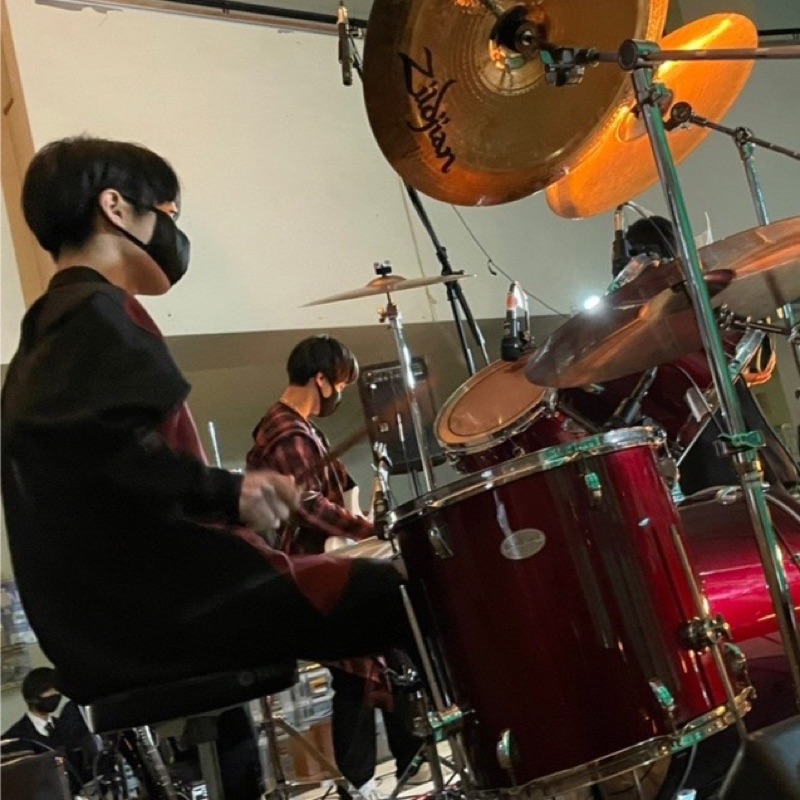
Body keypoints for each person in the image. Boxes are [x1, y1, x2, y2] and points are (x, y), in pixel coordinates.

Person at [1, 138, 415, 751]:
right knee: (408, 591)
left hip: (110, 627)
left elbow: (104, 467)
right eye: (167, 213)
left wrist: (229, 497)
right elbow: (112, 453)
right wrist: (230, 492)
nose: (174, 232)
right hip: (168, 615)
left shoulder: (45, 333)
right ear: (115, 208)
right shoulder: (95, 310)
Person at [246, 336, 428, 800]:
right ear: (321, 380)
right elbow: (307, 504)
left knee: (377, 663)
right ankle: (363, 781)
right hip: (308, 575)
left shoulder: (298, 429)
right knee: (362, 669)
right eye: (341, 384)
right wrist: (365, 528)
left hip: (319, 566)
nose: (341, 393)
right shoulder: (287, 432)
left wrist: (364, 510)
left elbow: (334, 488)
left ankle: (395, 767)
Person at [619, 215, 798, 495]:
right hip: (699, 450)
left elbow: (758, 366)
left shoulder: (703, 296)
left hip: (727, 441)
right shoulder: (635, 326)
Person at [2, 667, 100, 794]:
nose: (54, 695)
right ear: (33, 697)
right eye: (49, 691)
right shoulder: (14, 739)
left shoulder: (66, 728)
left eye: (56, 690)